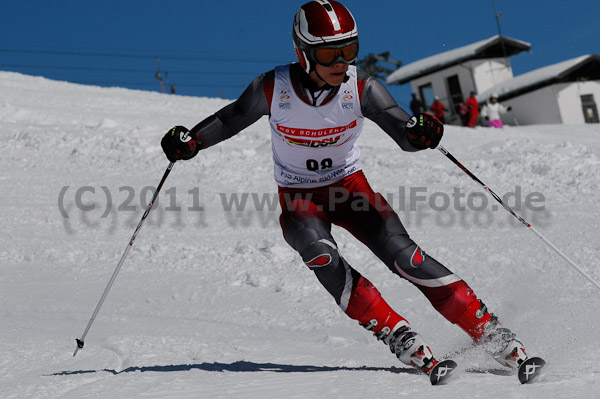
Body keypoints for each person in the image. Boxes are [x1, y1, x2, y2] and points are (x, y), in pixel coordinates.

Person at [161, 0, 529, 377]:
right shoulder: (273, 88)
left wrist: (422, 131)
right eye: (328, 53)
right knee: (320, 254)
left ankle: (491, 332)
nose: (341, 62)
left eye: (349, 50)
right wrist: (192, 141)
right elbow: (228, 120)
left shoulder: (362, 88)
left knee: (406, 257)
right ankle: (396, 332)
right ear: (302, 54)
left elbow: (403, 131)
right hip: (300, 197)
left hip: (350, 189)